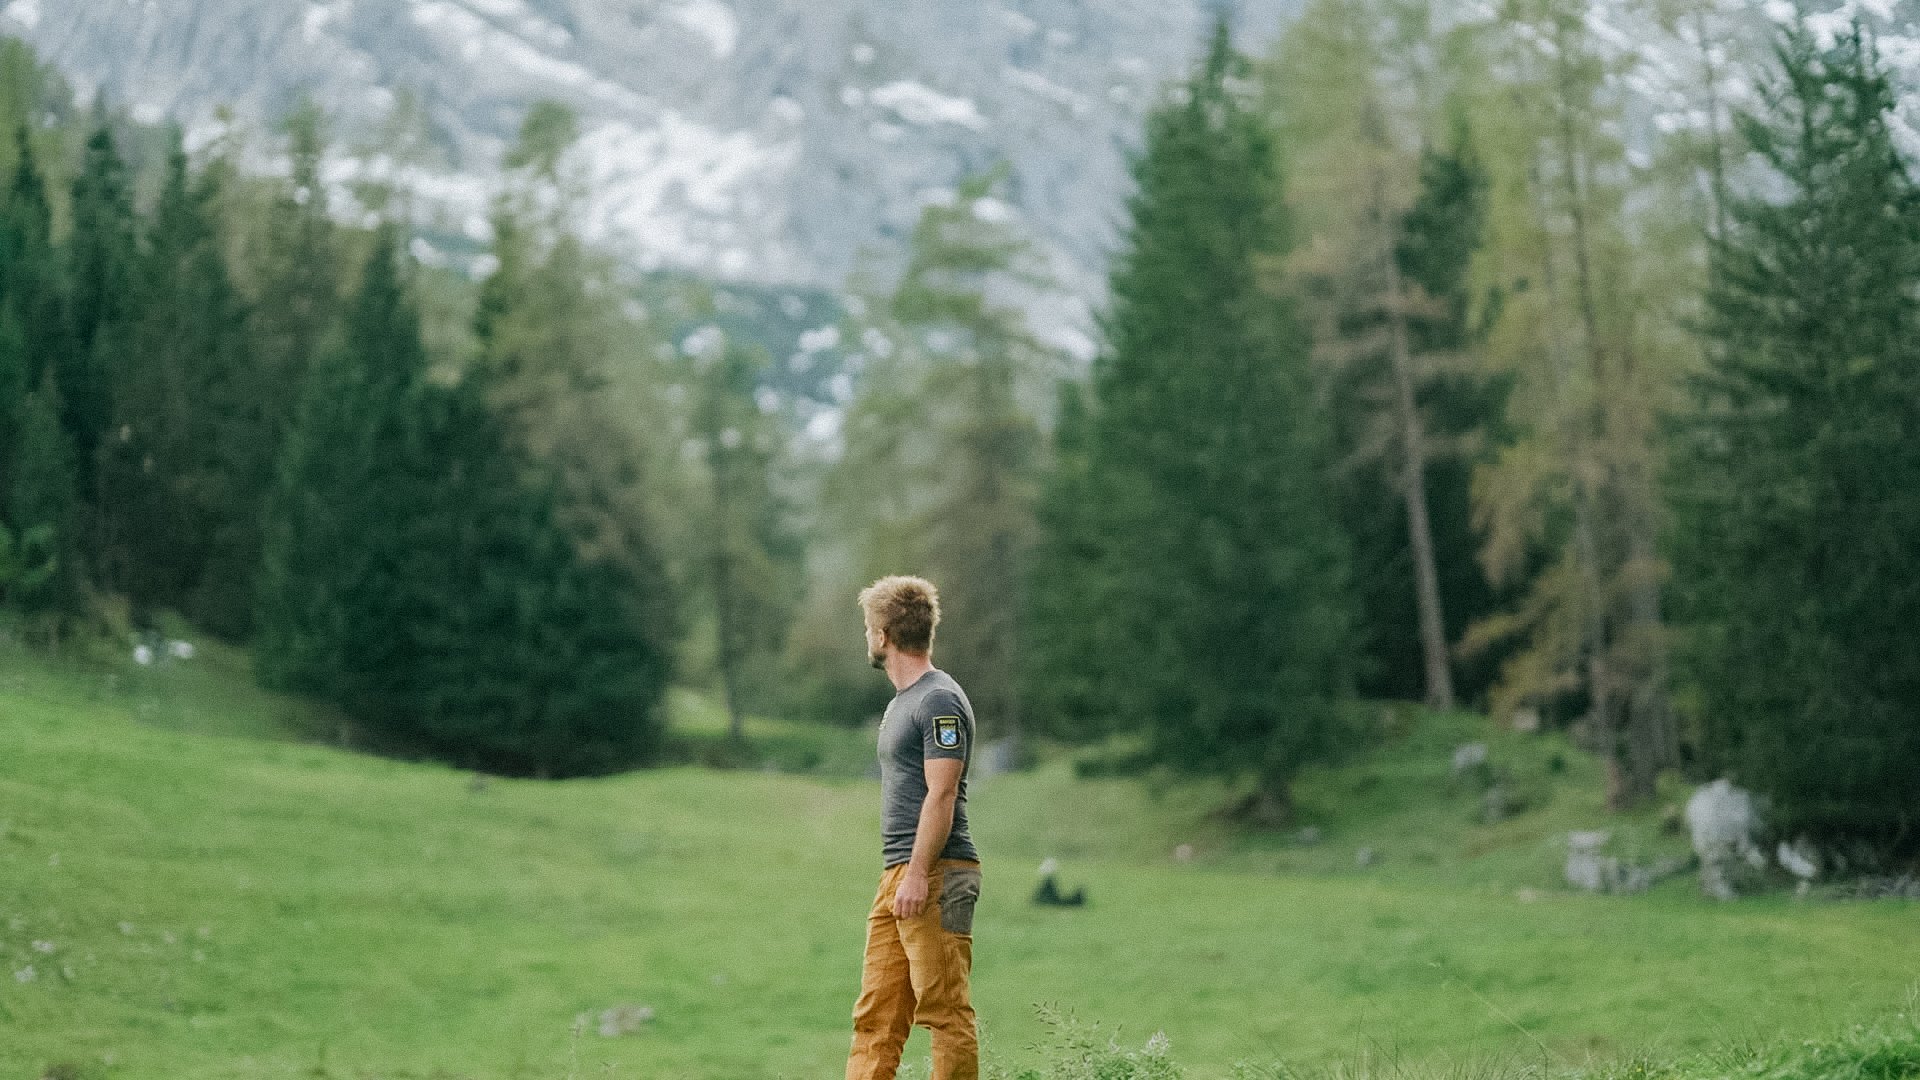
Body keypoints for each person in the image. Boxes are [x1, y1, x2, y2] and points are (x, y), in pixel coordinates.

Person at [846, 575, 982, 1080]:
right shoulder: (902, 702)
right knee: (875, 1017)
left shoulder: (938, 700)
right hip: (898, 874)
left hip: (936, 874)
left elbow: (942, 792)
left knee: (944, 1011)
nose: (866, 637)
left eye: (867, 628)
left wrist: (920, 874)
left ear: (882, 634)